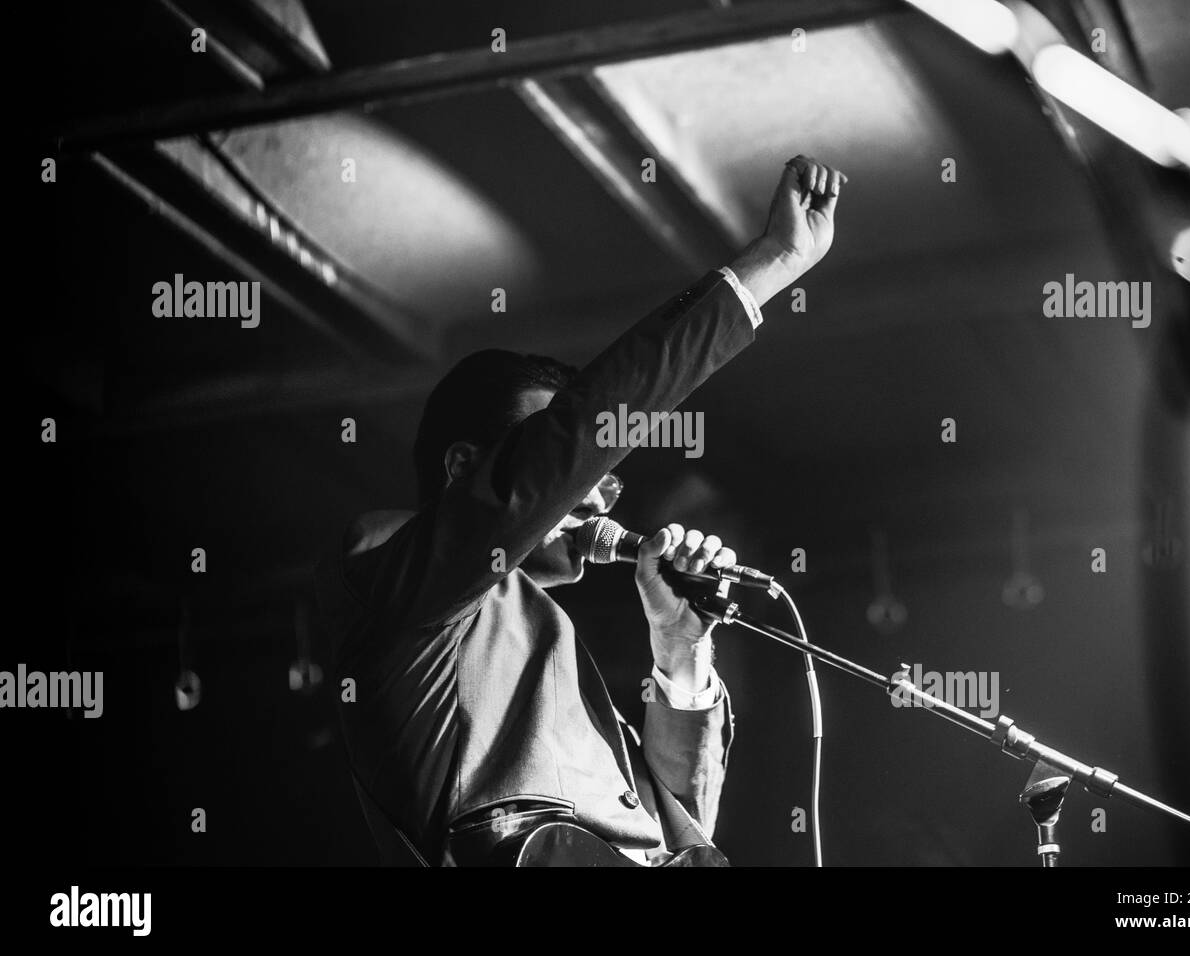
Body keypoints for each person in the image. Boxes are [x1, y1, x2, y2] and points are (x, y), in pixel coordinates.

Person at [315, 155, 846, 865]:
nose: (593, 494)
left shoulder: (554, 645)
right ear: (467, 469)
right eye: (572, 473)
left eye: (605, 480)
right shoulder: (393, 568)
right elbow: (576, 440)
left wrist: (680, 647)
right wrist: (772, 264)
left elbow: (681, 832)